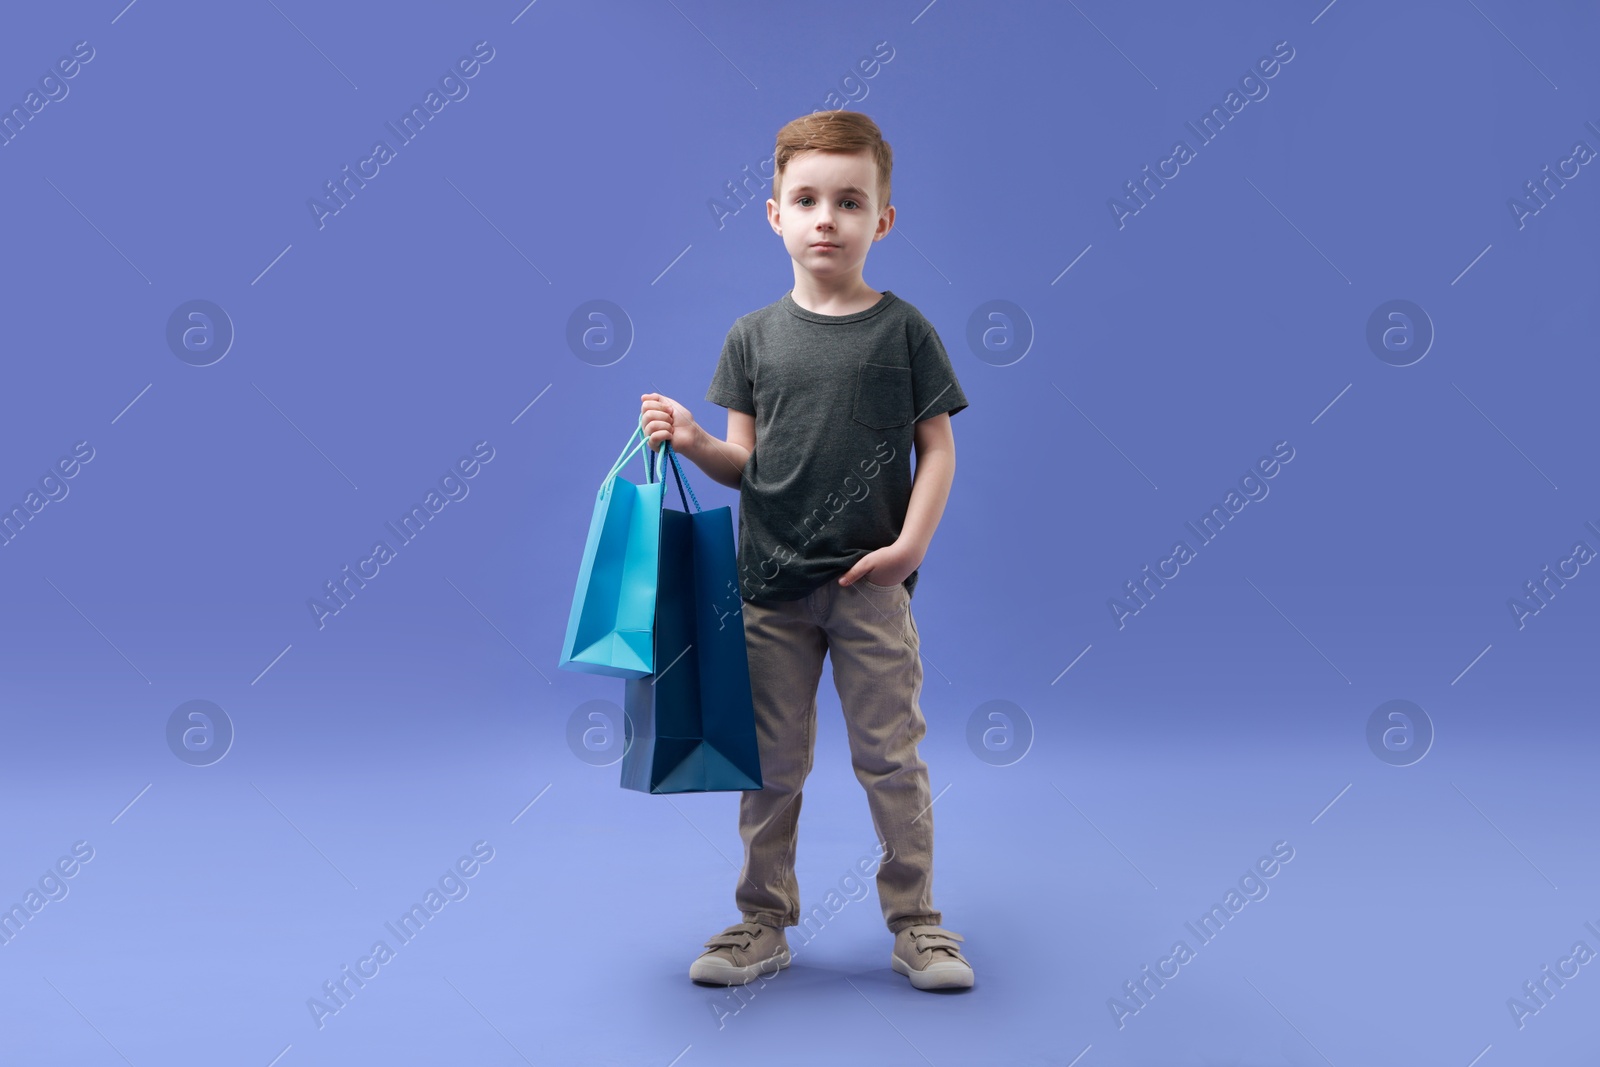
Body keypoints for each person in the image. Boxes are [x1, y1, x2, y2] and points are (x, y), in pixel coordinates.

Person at [639, 110, 972, 992]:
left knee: (892, 758)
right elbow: (743, 465)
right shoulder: (752, 338)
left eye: (850, 200)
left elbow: (936, 447)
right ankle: (761, 922)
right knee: (772, 764)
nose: (827, 216)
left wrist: (908, 546)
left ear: (882, 220)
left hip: (870, 587)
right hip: (770, 590)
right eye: (808, 199)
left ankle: (919, 925)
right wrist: (691, 436)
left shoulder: (904, 333)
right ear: (775, 214)